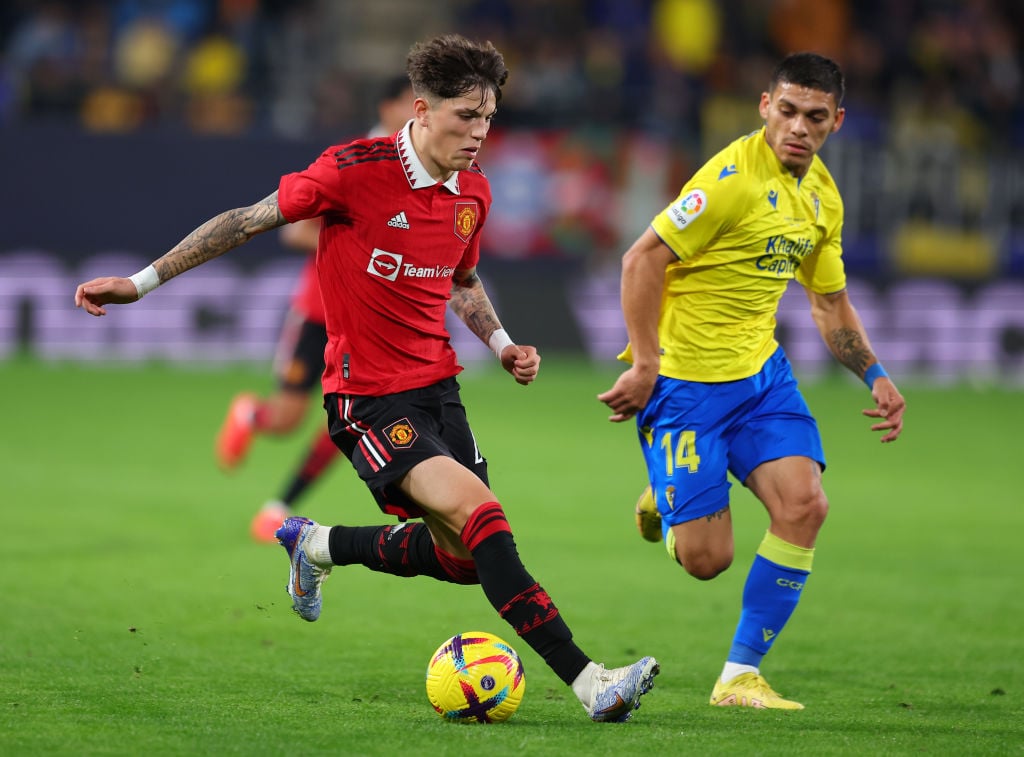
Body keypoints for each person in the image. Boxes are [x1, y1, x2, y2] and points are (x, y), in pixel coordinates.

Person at [75, 33, 659, 723]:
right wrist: (141, 283)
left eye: (489, 119)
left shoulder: (473, 192)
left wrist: (501, 342)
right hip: (367, 398)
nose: (478, 134)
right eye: (464, 117)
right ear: (420, 109)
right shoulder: (352, 169)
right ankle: (591, 681)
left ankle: (316, 543)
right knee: (485, 520)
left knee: (465, 558)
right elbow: (246, 221)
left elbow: (462, 280)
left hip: (439, 390)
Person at [598, 52, 906, 710]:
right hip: (684, 385)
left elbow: (828, 304)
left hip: (761, 379)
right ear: (765, 105)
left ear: (836, 121)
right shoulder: (733, 181)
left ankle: (739, 674)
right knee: (707, 559)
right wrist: (645, 364)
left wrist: (874, 372)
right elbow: (640, 259)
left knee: (806, 503)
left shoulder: (822, 196)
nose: (797, 126)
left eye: (814, 117)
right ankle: (663, 494)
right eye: (787, 110)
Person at [215, 74, 416, 543]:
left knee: (347, 417)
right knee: (286, 420)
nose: (419, 114)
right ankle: (252, 415)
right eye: (411, 103)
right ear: (387, 109)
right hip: (319, 310)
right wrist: (367, 254)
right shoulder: (354, 161)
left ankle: (278, 506)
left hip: (368, 323)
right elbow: (295, 231)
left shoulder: (423, 168)